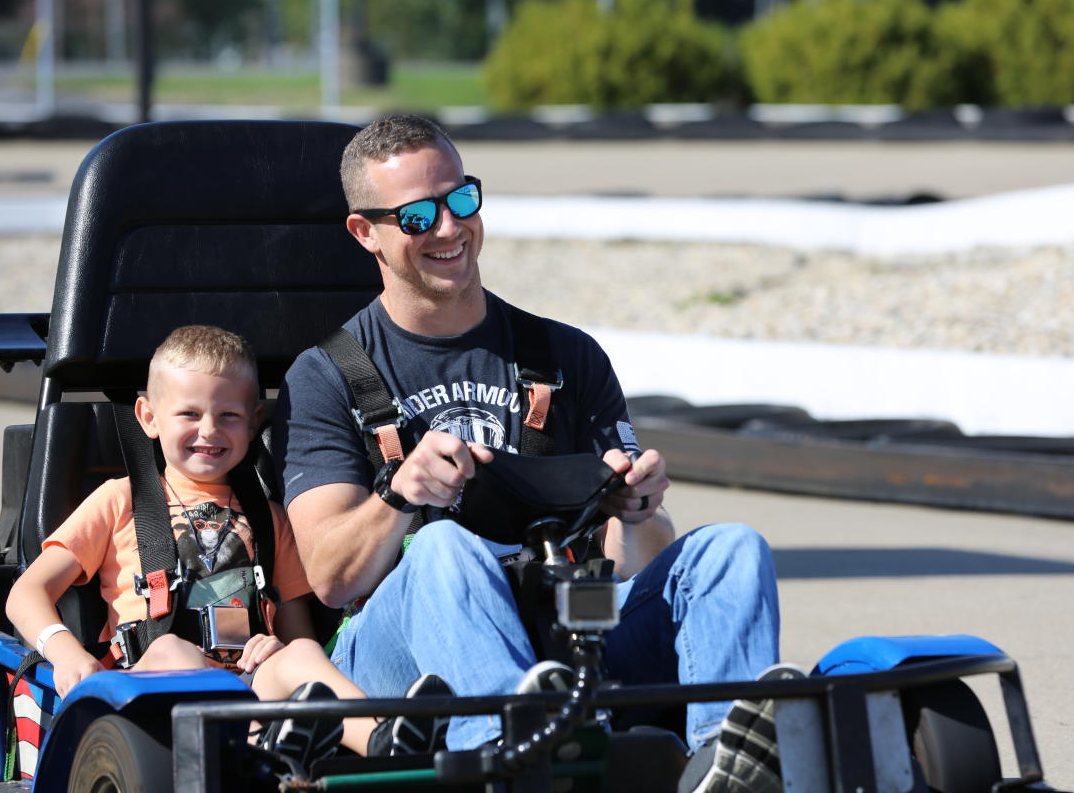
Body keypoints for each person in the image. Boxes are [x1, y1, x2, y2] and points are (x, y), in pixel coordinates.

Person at [273, 115, 782, 790]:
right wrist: (400, 494)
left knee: (731, 549)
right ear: (366, 233)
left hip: (563, 637)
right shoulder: (327, 375)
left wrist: (635, 510)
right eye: (418, 217)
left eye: (461, 201)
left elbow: (637, 564)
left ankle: (726, 763)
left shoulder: (565, 356)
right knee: (443, 548)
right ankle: (512, 758)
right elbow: (334, 578)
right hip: (403, 665)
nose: (450, 229)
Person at [6, 325, 450, 770]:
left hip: (247, 687)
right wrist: (65, 653)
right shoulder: (119, 501)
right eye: (189, 414)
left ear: (255, 421)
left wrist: (274, 647)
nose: (209, 430)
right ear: (148, 417)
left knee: (302, 656)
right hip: (143, 691)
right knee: (173, 652)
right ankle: (261, 748)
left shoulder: (272, 518)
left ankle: (385, 739)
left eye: (229, 416)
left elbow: (297, 634)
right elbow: (25, 594)